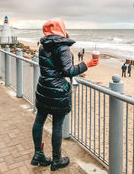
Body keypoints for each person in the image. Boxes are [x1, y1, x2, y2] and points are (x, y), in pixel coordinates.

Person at [31, 18, 99, 171]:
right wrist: (87, 64)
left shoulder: (43, 46)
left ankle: (38, 155)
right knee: (57, 125)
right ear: (61, 29)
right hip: (57, 91)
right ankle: (57, 160)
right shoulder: (62, 47)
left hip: (43, 88)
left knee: (39, 121)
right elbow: (69, 71)